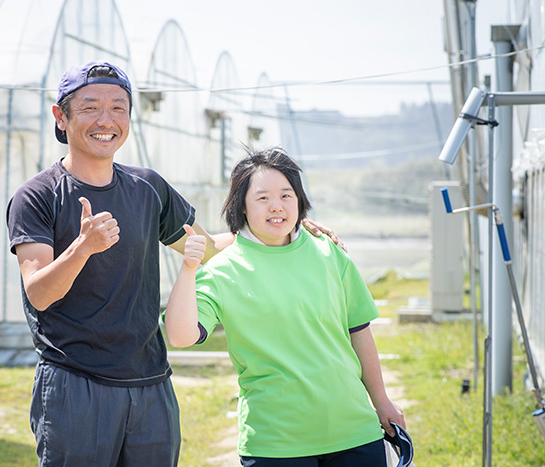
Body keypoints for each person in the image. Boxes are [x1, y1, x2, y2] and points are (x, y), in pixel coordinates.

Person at [6, 61, 342, 466]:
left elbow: (203, 245)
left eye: (118, 108)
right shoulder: (38, 196)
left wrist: (282, 225)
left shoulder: (148, 186)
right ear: (61, 116)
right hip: (76, 383)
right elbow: (39, 294)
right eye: (90, 107)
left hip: (150, 383)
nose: (106, 120)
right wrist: (83, 247)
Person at [164, 146, 405, 466]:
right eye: (262, 198)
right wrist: (189, 268)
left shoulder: (328, 252)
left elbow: (359, 331)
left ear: (299, 200)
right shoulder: (222, 270)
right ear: (243, 206)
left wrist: (382, 401)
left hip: (355, 432)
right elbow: (180, 336)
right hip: (274, 443)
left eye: (286, 195)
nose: (276, 206)